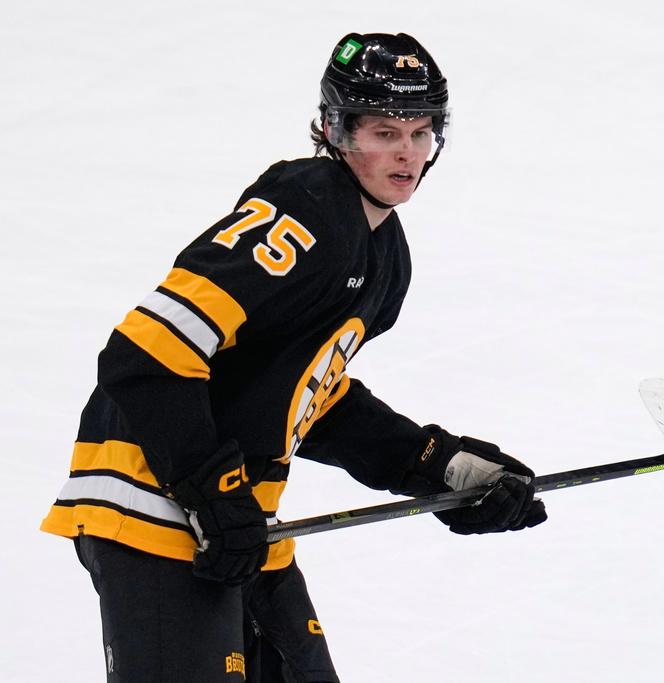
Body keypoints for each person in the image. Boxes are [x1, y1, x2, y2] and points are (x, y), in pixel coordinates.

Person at [40, 32, 547, 683]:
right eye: (385, 132)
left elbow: (300, 396)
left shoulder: (384, 255)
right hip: (152, 507)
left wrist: (436, 464)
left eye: (421, 133)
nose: (407, 153)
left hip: (240, 523)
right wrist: (212, 493)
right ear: (337, 130)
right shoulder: (302, 210)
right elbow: (146, 352)